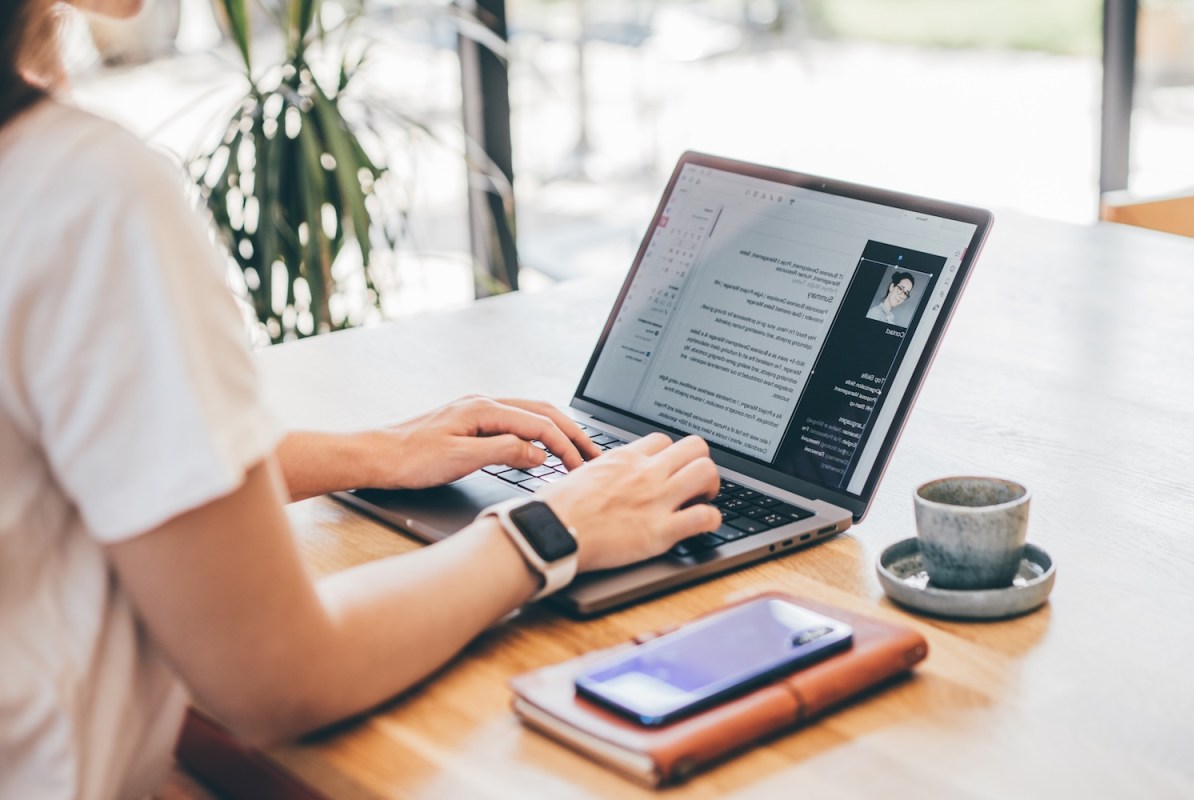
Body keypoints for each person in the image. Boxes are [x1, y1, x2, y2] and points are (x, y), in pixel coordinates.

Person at [0, 3, 722, 798]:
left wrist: (374, 452)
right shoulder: (79, 191)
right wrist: (553, 527)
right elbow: (276, 674)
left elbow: (76, 448)